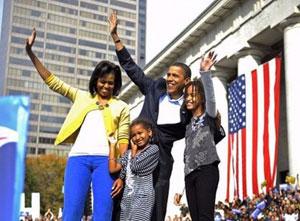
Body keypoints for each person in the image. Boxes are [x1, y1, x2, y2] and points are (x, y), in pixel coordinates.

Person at [108, 12, 225, 221]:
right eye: (168, 74)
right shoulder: (154, 88)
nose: (169, 78)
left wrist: (206, 76)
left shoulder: (188, 109)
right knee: (125, 200)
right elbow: (132, 70)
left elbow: (203, 121)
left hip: (161, 160)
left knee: (156, 207)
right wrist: (116, 38)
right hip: (138, 151)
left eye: (175, 76)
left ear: (186, 80)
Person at [25, 28, 129, 221]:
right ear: (96, 80)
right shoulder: (81, 97)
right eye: (103, 81)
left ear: (116, 85)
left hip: (106, 163)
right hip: (78, 159)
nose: (106, 86)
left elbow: (123, 142)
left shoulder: (121, 106)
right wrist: (31, 53)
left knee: (103, 214)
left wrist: (122, 175)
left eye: (111, 83)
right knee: (71, 212)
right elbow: (53, 82)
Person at [178, 51, 220, 220]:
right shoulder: (187, 124)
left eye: (193, 94)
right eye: (186, 95)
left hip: (207, 170)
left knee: (204, 216)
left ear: (201, 97)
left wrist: (204, 73)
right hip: (190, 175)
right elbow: (190, 157)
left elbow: (211, 98)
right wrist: (180, 191)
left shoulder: (209, 116)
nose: (188, 98)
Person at [108, 118, 159, 221]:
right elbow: (113, 169)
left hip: (143, 197)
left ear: (149, 132)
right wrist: (113, 145)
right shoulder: (128, 154)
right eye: (134, 135)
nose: (137, 137)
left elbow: (135, 166)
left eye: (140, 133)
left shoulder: (153, 149)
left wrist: (134, 152)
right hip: (127, 199)